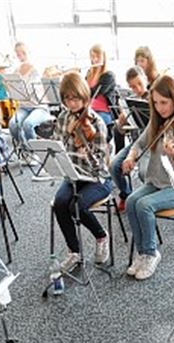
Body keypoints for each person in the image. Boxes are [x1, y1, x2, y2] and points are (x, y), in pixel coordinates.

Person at [119, 75, 174, 280]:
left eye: (164, 102)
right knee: (131, 202)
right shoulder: (158, 122)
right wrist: (131, 157)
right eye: (156, 103)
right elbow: (138, 143)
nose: (160, 107)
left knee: (144, 205)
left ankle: (151, 253)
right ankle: (142, 252)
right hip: (158, 182)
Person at [51, 71, 111, 273]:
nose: (72, 103)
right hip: (74, 176)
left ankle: (101, 236)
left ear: (84, 96)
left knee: (77, 206)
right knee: (60, 203)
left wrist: (88, 154)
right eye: (67, 98)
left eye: (75, 98)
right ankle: (74, 251)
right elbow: (56, 148)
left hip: (97, 178)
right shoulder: (63, 118)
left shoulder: (97, 122)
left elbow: (101, 161)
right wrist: (69, 137)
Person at [109, 66, 150, 212]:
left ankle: (150, 199)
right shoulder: (129, 102)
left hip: (151, 144)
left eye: (139, 83)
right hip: (135, 144)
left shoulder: (155, 98)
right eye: (133, 86)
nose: (137, 89)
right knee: (114, 166)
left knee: (143, 172)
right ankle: (126, 193)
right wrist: (121, 121)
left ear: (145, 79)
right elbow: (120, 131)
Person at [8, 42, 53, 154]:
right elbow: (13, 92)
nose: (21, 56)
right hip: (24, 107)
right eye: (18, 54)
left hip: (39, 107)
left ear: (29, 52)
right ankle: (26, 150)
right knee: (13, 125)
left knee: (28, 124)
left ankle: (36, 153)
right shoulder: (16, 71)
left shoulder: (36, 69)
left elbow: (31, 90)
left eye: (23, 53)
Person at [85, 43, 119, 135]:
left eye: (98, 56)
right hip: (89, 110)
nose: (95, 59)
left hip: (103, 112)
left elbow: (95, 92)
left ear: (104, 57)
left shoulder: (108, 76)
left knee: (93, 127)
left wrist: (82, 89)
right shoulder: (89, 73)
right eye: (92, 56)